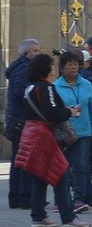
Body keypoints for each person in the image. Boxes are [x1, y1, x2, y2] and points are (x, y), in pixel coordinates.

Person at [16, 52, 89, 227]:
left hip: (30, 133)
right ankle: (68, 217)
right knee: (60, 173)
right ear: (46, 69)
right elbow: (52, 112)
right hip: (43, 135)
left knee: (40, 175)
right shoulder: (46, 87)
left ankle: (38, 216)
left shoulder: (30, 87)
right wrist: (69, 112)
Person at [53, 49, 92, 212]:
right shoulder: (55, 87)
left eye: (75, 64)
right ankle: (60, 199)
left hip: (83, 133)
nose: (73, 67)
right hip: (63, 134)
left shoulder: (86, 85)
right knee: (62, 167)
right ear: (62, 67)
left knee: (81, 166)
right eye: (69, 64)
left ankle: (79, 199)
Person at [6, 37, 40, 210]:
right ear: (26, 52)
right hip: (21, 120)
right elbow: (21, 91)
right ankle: (23, 197)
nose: (37, 53)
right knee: (23, 160)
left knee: (18, 160)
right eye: (35, 50)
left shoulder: (19, 66)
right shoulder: (23, 68)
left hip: (16, 118)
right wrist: (35, 94)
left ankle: (17, 197)